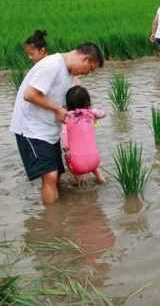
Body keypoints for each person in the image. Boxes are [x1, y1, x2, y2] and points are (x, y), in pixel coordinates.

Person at [10, 43, 104, 205]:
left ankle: (61, 215)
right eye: (90, 69)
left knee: (57, 175)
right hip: (31, 129)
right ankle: (53, 222)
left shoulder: (70, 74)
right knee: (50, 175)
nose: (87, 74)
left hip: (49, 129)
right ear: (85, 59)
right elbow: (29, 94)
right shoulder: (52, 66)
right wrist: (58, 110)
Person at [62, 86, 106, 184]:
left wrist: (66, 149)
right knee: (87, 150)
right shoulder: (90, 115)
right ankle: (100, 177)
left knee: (67, 156)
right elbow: (103, 113)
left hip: (77, 165)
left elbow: (64, 138)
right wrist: (92, 111)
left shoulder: (67, 118)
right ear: (87, 102)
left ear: (68, 104)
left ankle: (77, 179)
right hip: (95, 161)